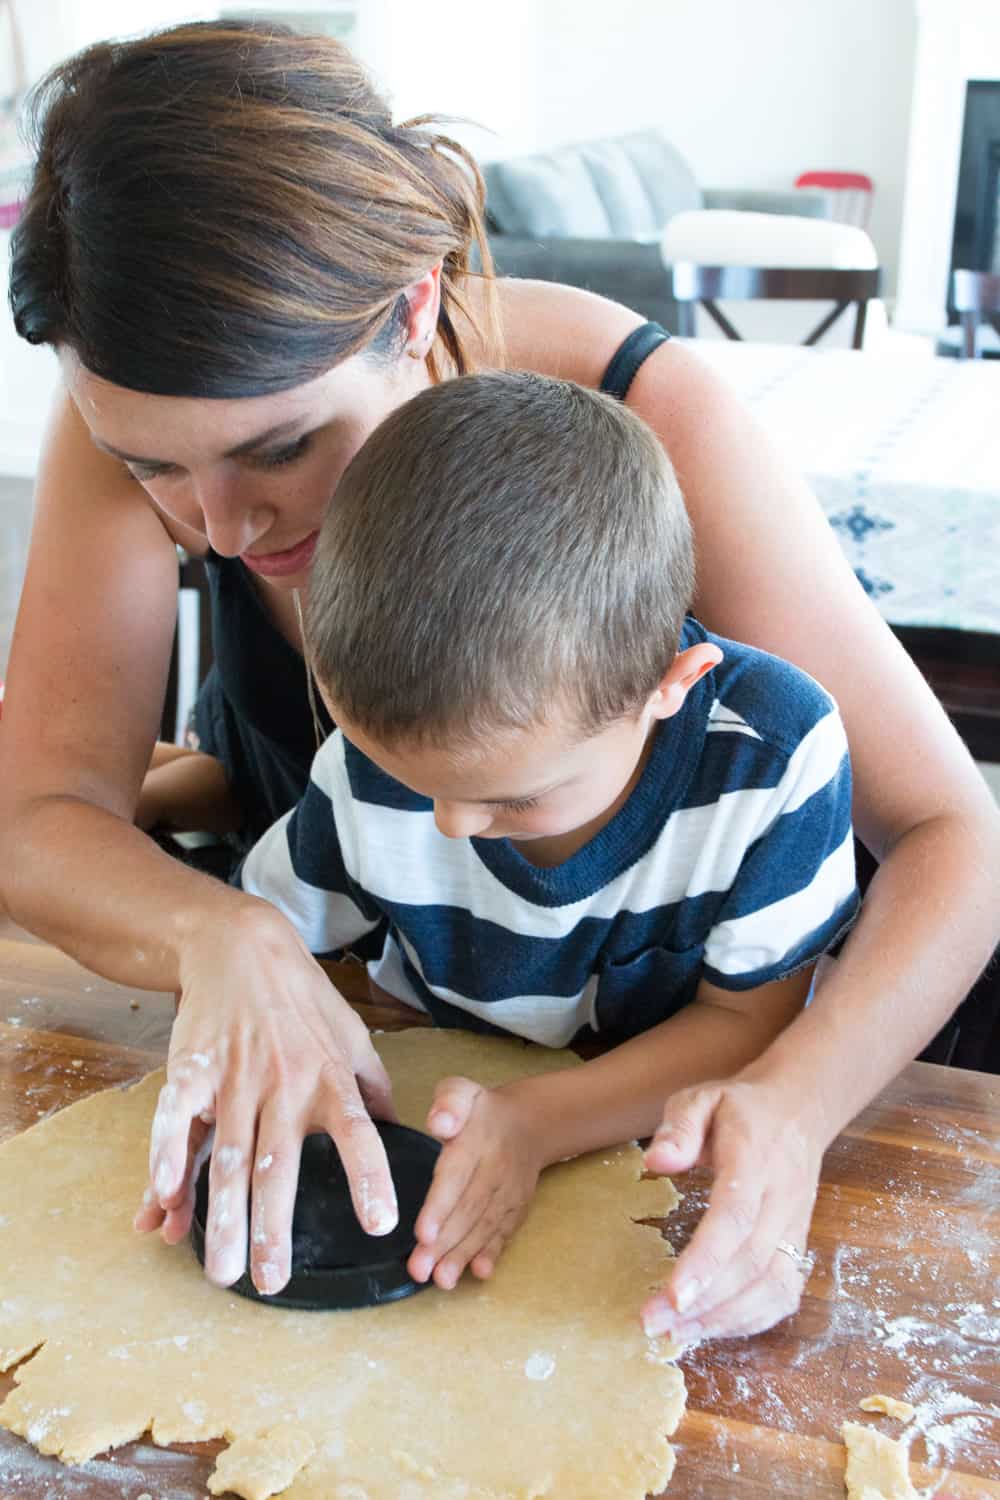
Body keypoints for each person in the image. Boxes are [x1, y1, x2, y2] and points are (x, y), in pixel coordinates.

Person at [1, 20, 997, 1346]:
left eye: (283, 447)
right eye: (151, 470)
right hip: (395, 1023)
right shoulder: (153, 410)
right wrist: (220, 937)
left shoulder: (645, 415)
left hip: (651, 1095)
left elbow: (954, 840)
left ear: (414, 303)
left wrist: (802, 1097)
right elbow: (37, 816)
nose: (222, 531)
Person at [230, 369, 861, 1308]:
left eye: (513, 800)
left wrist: (532, 1124)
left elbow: (748, 1026)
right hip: (432, 1081)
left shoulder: (770, 764)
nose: (447, 824)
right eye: (410, 780)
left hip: (652, 1152)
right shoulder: (373, 766)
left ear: (669, 685)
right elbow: (260, 944)